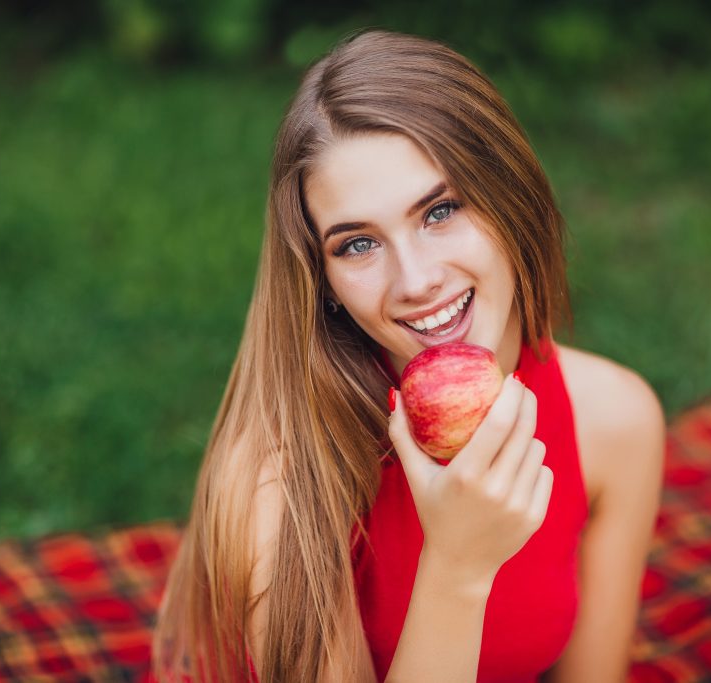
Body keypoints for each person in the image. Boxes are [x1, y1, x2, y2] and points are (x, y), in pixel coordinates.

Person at [153, 29, 665, 683]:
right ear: (324, 284)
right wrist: (457, 566)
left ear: (515, 199)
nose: (416, 279)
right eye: (357, 244)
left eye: (440, 210)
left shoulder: (614, 421)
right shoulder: (278, 477)